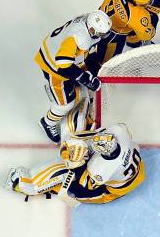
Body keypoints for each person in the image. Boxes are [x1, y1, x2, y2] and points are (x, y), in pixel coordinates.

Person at [4, 123, 144, 206]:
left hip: (109, 191)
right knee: (82, 148)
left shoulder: (102, 170)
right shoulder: (120, 133)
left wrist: (76, 163)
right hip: (136, 171)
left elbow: (84, 184)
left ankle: (24, 184)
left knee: (72, 186)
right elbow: (98, 133)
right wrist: (76, 139)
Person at [35, 11, 112, 143]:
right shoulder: (78, 36)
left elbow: (81, 49)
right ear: (92, 29)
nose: (103, 36)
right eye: (101, 33)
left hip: (58, 50)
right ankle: (47, 123)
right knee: (65, 105)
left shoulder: (88, 22)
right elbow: (62, 64)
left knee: (84, 75)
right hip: (53, 66)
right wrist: (84, 78)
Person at [85, 0, 160, 75]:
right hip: (113, 32)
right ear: (136, 3)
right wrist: (155, 10)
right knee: (106, 63)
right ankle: (90, 75)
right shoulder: (136, 15)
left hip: (101, 15)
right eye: (147, 3)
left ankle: (133, 43)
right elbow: (147, 34)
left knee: (134, 29)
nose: (150, 2)